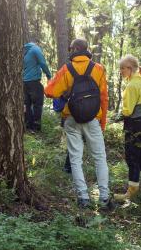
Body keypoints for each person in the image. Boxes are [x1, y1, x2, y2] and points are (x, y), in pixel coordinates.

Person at [44, 38, 112, 209]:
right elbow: (104, 98)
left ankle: (83, 198)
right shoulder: (99, 69)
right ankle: (104, 198)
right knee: (100, 158)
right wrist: (102, 123)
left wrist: (66, 90)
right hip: (93, 119)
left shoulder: (66, 69)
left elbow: (49, 91)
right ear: (86, 49)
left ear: (74, 49)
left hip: (72, 118)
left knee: (75, 159)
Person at [114, 55, 141, 202]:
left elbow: (127, 111)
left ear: (130, 69)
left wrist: (116, 117)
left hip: (135, 124)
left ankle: (131, 191)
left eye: (122, 68)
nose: (121, 71)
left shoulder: (131, 86)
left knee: (132, 157)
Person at [23, 42, 52, 132]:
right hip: (34, 81)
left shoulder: (25, 52)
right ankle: (36, 127)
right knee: (38, 104)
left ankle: (28, 126)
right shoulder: (35, 49)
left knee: (27, 104)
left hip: (24, 82)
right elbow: (42, 63)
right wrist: (48, 75)